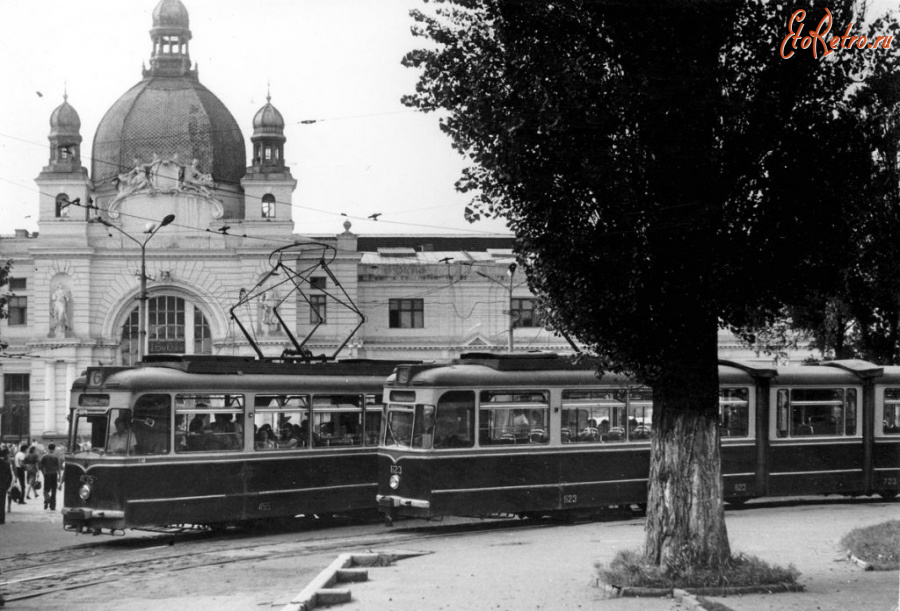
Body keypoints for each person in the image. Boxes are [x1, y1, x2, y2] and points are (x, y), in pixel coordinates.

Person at [39, 443, 62, 511]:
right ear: (54, 448)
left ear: (48, 448)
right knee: (54, 490)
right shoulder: (56, 456)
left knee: (46, 489)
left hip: (47, 474)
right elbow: (59, 467)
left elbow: (41, 466)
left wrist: (43, 473)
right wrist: (59, 476)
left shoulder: (44, 456)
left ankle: (47, 498)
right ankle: (52, 506)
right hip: (54, 474)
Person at [0, 447, 14, 524]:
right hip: (2, 486)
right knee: (2, 503)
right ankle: (1, 519)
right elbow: (10, 477)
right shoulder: (6, 464)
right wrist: (7, 485)